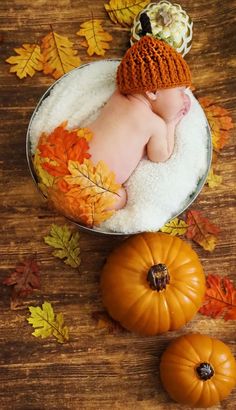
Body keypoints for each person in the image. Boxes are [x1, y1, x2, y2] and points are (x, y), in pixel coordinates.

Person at [87, 35, 192, 210]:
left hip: (71, 157)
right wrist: (171, 123)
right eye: (180, 91)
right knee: (120, 198)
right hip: (94, 186)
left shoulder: (117, 97)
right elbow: (160, 155)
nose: (185, 98)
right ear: (152, 91)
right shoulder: (155, 124)